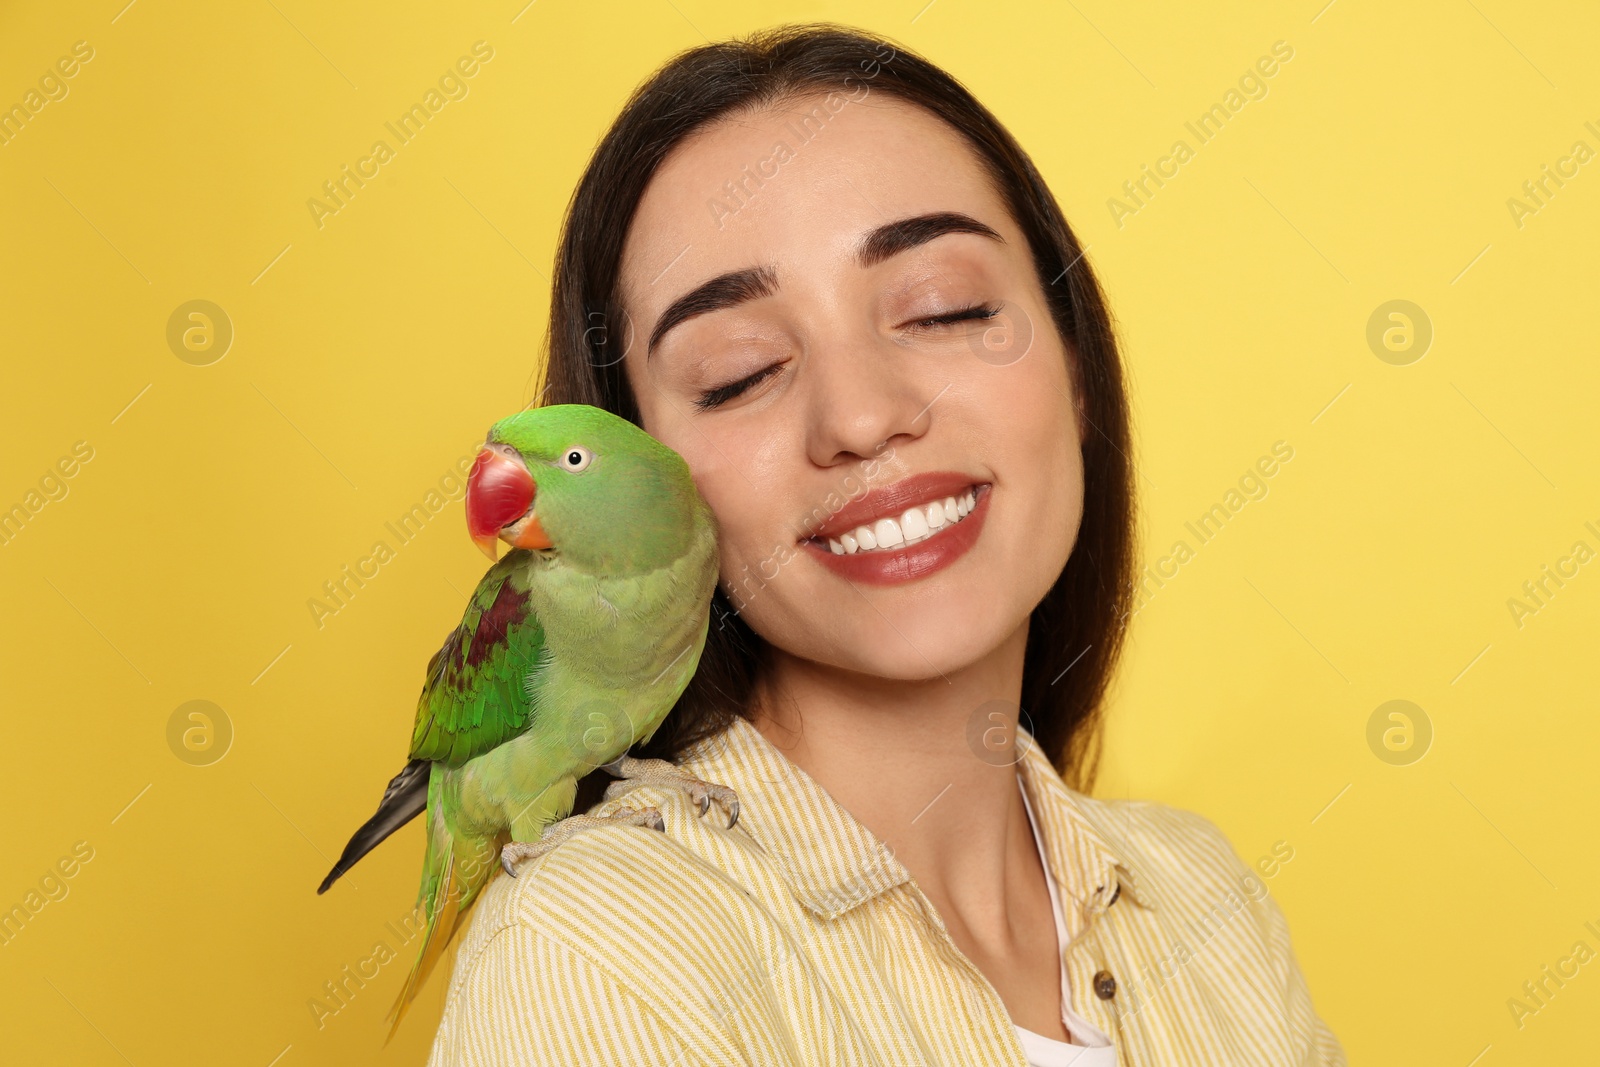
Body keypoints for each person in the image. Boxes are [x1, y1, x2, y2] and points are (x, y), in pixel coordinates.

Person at [426, 22, 1345, 1066]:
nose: (860, 417)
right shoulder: (600, 952)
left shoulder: (1204, 898)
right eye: (736, 371)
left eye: (941, 308)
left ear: (1075, 366)